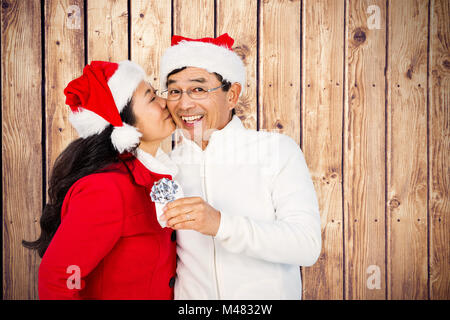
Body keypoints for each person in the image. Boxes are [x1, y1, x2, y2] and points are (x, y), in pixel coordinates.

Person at [158, 33, 322, 299]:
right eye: (175, 91)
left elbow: (306, 245)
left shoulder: (276, 151)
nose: (184, 103)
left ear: (232, 95)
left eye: (198, 89)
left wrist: (222, 224)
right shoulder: (166, 168)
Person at [23, 60, 178, 299]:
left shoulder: (157, 173)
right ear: (123, 123)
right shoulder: (106, 189)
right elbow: (60, 277)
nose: (164, 102)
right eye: (151, 98)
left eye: (157, 93)